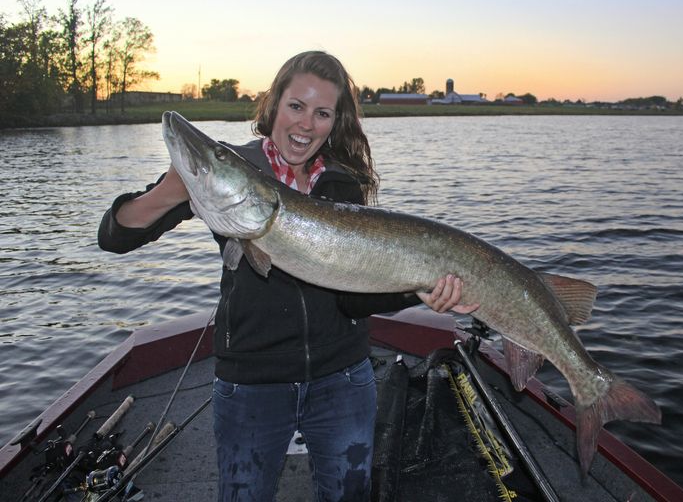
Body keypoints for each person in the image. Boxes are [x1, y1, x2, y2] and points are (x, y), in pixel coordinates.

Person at [98, 50, 477, 502]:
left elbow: (353, 299)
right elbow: (115, 236)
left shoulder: (343, 182)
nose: (305, 124)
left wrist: (419, 289)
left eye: (322, 113)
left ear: (334, 123)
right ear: (274, 105)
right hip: (252, 382)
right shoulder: (231, 170)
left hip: (343, 377)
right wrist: (169, 191)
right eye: (296, 106)